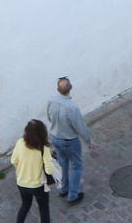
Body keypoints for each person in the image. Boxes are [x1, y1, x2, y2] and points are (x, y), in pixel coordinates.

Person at [46, 76, 91, 205]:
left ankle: (64, 189)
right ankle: (73, 195)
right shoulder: (72, 107)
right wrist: (88, 140)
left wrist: (56, 127)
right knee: (77, 166)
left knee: (62, 164)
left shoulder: (51, 101)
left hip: (56, 138)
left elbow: (49, 116)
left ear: (57, 89)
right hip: (70, 141)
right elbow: (80, 126)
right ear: (71, 88)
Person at [11, 119, 55, 223]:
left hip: (21, 183)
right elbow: (49, 171)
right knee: (43, 208)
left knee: (25, 206)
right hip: (38, 186)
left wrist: (22, 169)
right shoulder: (44, 148)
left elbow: (13, 160)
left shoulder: (20, 142)